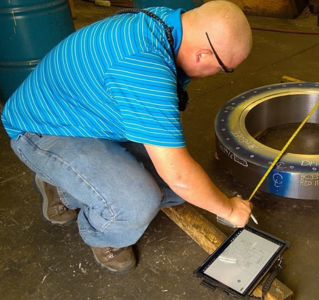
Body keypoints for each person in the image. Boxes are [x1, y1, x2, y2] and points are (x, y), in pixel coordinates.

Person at [1, 0, 253, 274]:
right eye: (224, 68)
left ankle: (65, 183)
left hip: (85, 111)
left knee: (177, 192)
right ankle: (99, 232)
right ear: (203, 55)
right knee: (137, 203)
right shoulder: (143, 66)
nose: (219, 74)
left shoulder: (167, 25)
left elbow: (179, 177)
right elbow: (180, 176)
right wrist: (228, 210)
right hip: (44, 129)